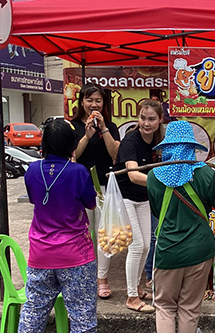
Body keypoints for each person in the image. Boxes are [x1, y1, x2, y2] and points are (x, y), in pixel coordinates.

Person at [147, 121, 215, 333]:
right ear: (191, 148)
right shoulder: (205, 173)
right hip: (200, 251)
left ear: (167, 147)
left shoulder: (153, 177)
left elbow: (156, 211)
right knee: (189, 308)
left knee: (165, 307)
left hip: (168, 252)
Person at [19, 119, 97, 333]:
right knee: (82, 317)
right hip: (76, 255)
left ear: (43, 144)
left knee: (33, 312)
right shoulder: (79, 172)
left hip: (40, 253)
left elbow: (36, 200)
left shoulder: (32, 170)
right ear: (72, 145)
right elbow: (90, 203)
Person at [112, 99, 164, 313]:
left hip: (144, 197)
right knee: (136, 245)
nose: (146, 123)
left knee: (146, 246)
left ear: (160, 120)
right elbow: (133, 175)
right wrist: (163, 183)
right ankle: (131, 297)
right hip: (124, 196)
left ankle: (139, 288)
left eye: (151, 119)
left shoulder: (158, 141)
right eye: (143, 118)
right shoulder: (130, 140)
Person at [71, 83, 120, 299]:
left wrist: (103, 129)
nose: (93, 104)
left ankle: (102, 279)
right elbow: (73, 155)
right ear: (82, 102)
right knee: (83, 233)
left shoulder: (110, 125)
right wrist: (87, 136)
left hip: (104, 186)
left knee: (104, 234)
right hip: (80, 187)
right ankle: (85, 275)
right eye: (89, 100)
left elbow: (115, 154)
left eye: (98, 100)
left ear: (104, 104)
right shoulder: (72, 126)